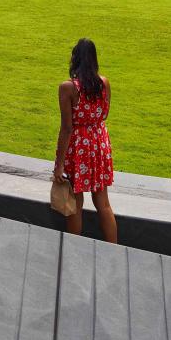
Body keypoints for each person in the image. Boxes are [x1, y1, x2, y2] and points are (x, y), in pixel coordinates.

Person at [53, 38, 118, 243]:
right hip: (99, 143)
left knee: (75, 204)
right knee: (103, 203)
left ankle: (74, 251)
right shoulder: (104, 83)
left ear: (75, 59)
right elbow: (104, 115)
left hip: (79, 144)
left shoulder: (68, 88)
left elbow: (67, 128)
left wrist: (59, 164)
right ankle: (114, 249)